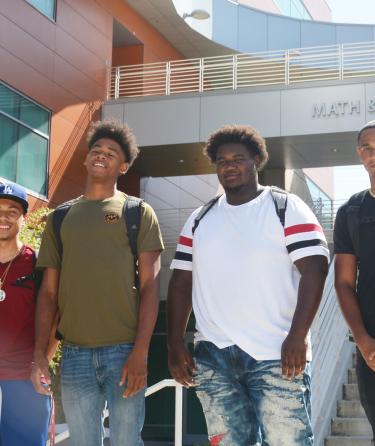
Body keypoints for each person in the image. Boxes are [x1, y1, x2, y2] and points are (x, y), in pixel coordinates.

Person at [167, 124, 329, 446]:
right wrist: (174, 344)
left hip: (277, 353)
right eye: (222, 160)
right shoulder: (199, 219)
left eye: (238, 158)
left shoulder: (287, 208)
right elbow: (180, 284)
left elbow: (315, 270)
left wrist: (298, 336)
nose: (229, 165)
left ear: (257, 160)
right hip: (214, 356)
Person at [31, 120, 164, 446]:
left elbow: (150, 287)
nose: (101, 156)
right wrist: (40, 354)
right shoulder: (60, 217)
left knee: (125, 441)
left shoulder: (138, 212)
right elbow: (48, 293)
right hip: (75, 355)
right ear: (86, 158)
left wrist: (141, 353)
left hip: (125, 353)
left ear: (124, 166)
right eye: (96, 150)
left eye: (111, 153)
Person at [0, 180, 55, 446]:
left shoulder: (37, 264)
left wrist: (42, 363)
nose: (4, 217)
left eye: (12, 211)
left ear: (24, 218)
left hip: (25, 380)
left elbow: (55, 318)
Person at [334, 120, 375, 443]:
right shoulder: (351, 210)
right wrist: (363, 340)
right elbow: (344, 283)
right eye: (367, 147)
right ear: (359, 154)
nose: (373, 154)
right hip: (371, 346)